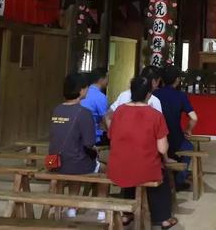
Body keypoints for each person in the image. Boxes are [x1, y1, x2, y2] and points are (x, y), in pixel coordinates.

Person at [107, 77, 177, 229]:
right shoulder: (155, 115)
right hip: (145, 169)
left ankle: (127, 214)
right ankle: (163, 218)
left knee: (129, 168)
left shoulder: (119, 111)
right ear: (148, 94)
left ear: (131, 92)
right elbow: (162, 149)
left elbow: (111, 135)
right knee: (161, 175)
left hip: (118, 168)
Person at [48, 73, 104, 220]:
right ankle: (102, 210)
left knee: (76, 160)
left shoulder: (57, 109)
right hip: (76, 164)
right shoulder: (84, 113)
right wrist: (95, 151)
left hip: (55, 163)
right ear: (81, 90)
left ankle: (72, 208)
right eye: (86, 88)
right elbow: (89, 143)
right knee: (103, 169)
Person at [153, 65, 198, 190]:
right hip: (175, 138)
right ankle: (179, 180)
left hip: (156, 139)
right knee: (189, 148)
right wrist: (188, 130)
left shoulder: (154, 94)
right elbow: (194, 118)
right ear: (177, 80)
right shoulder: (180, 96)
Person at [80, 67, 109, 145]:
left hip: (79, 135)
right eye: (107, 78)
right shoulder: (100, 97)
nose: (108, 81)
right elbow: (106, 121)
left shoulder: (84, 92)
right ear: (101, 80)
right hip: (93, 137)